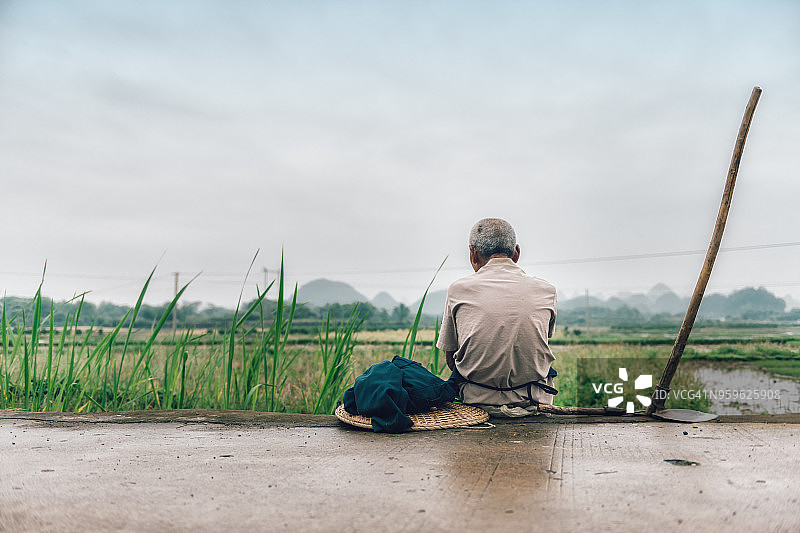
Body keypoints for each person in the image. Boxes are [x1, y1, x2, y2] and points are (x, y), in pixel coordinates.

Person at [437, 218, 558, 417]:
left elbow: (451, 359)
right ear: (516, 253)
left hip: (477, 403)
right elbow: (537, 343)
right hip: (533, 401)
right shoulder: (547, 290)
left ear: (473, 253)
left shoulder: (458, 289)